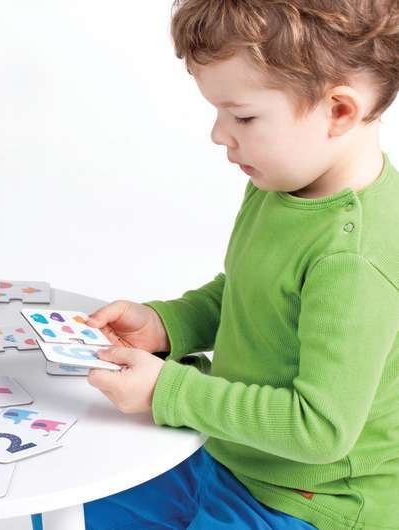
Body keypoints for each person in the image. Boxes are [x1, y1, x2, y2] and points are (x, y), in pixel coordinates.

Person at [83, 1, 399, 528]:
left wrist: (167, 390)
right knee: (69, 509)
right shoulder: (283, 184)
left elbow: (319, 428)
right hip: (228, 450)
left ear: (339, 112)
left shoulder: (355, 258)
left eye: (244, 116)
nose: (219, 134)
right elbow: (252, 291)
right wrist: (170, 324)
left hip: (307, 501)